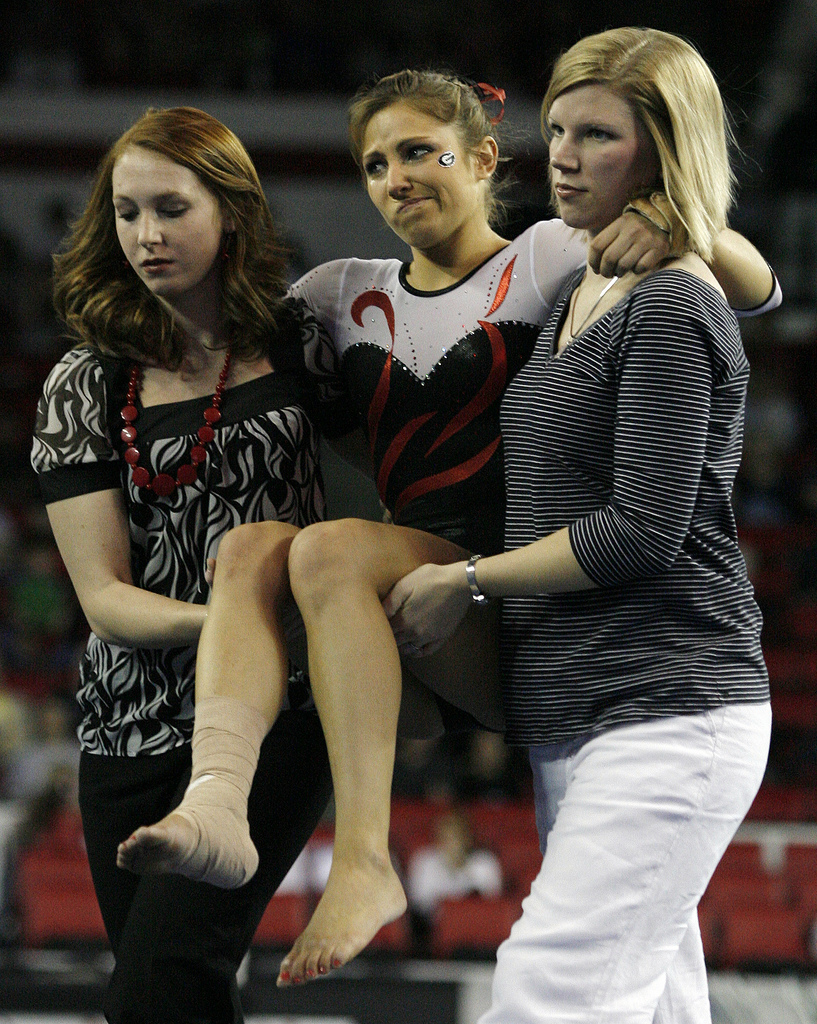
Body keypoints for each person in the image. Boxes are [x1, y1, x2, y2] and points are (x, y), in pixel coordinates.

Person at [115, 70, 780, 986]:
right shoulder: (336, 293)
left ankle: (364, 859)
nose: (396, 177)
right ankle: (217, 798)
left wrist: (678, 223)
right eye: (374, 163)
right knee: (254, 547)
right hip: (417, 606)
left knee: (331, 547)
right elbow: (213, 328)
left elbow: (755, 289)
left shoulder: (549, 255)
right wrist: (157, 232)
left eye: (420, 153)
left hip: (514, 596)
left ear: (482, 159)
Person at [387, 29, 773, 1022]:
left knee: (546, 996)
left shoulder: (669, 301)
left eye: (597, 135)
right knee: (646, 1005)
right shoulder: (575, 280)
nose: (561, 155)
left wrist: (469, 580)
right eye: (556, 129)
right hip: (580, 712)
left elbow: (640, 530)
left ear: (662, 150)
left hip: (665, 705)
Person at [30, 107, 342, 1024]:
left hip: (283, 711)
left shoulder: (303, 342)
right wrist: (236, 625)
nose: (147, 235)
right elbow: (104, 600)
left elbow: (385, 487)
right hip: (127, 726)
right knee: (175, 997)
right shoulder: (83, 383)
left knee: (160, 981)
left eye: (171, 208)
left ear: (231, 211)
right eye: (127, 212)